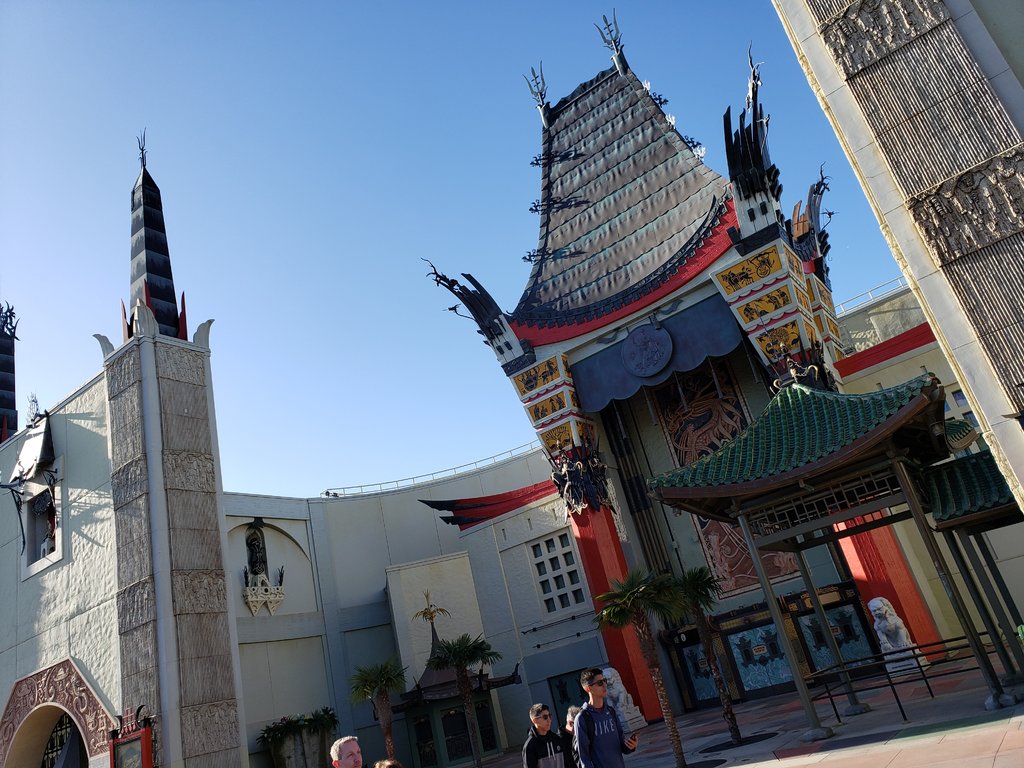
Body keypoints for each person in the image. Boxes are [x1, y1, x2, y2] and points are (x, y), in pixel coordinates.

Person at [574, 668, 637, 768]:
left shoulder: (611, 711)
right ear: (588, 688)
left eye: (604, 681)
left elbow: (622, 746)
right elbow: (584, 757)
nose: (604, 685)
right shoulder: (582, 718)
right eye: (599, 682)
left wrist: (631, 746)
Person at [522, 702, 565, 768]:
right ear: (535, 721)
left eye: (550, 716)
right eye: (545, 717)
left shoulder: (557, 739)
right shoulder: (530, 746)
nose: (549, 720)